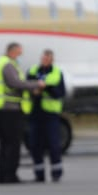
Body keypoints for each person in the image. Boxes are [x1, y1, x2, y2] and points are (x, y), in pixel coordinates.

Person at [0, 42, 44, 184]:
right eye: (19, 52)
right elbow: (15, 83)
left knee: (5, 144)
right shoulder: (8, 64)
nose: (20, 55)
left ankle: (2, 176)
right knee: (13, 144)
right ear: (12, 51)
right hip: (9, 109)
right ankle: (10, 175)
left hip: (3, 108)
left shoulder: (3, 63)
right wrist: (36, 84)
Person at [23, 49, 66, 182]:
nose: (45, 60)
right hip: (35, 112)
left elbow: (60, 92)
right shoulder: (33, 71)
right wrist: (35, 89)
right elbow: (27, 85)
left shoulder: (57, 73)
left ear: (52, 60)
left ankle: (56, 171)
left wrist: (44, 88)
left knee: (54, 144)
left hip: (50, 113)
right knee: (35, 144)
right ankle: (39, 173)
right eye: (44, 57)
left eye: (48, 58)